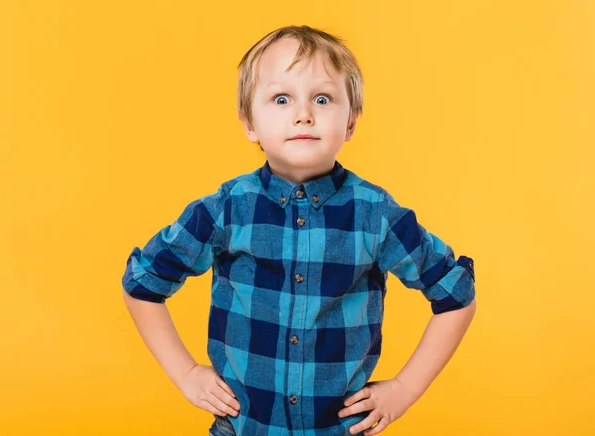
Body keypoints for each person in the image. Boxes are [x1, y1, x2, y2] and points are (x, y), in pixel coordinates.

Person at [121, 25, 477, 436]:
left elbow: (456, 298)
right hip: (243, 428)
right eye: (281, 98)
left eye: (322, 99)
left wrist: (403, 388)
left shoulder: (376, 215)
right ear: (249, 123)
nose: (303, 113)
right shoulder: (226, 209)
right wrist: (185, 373)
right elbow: (143, 284)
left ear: (351, 123)